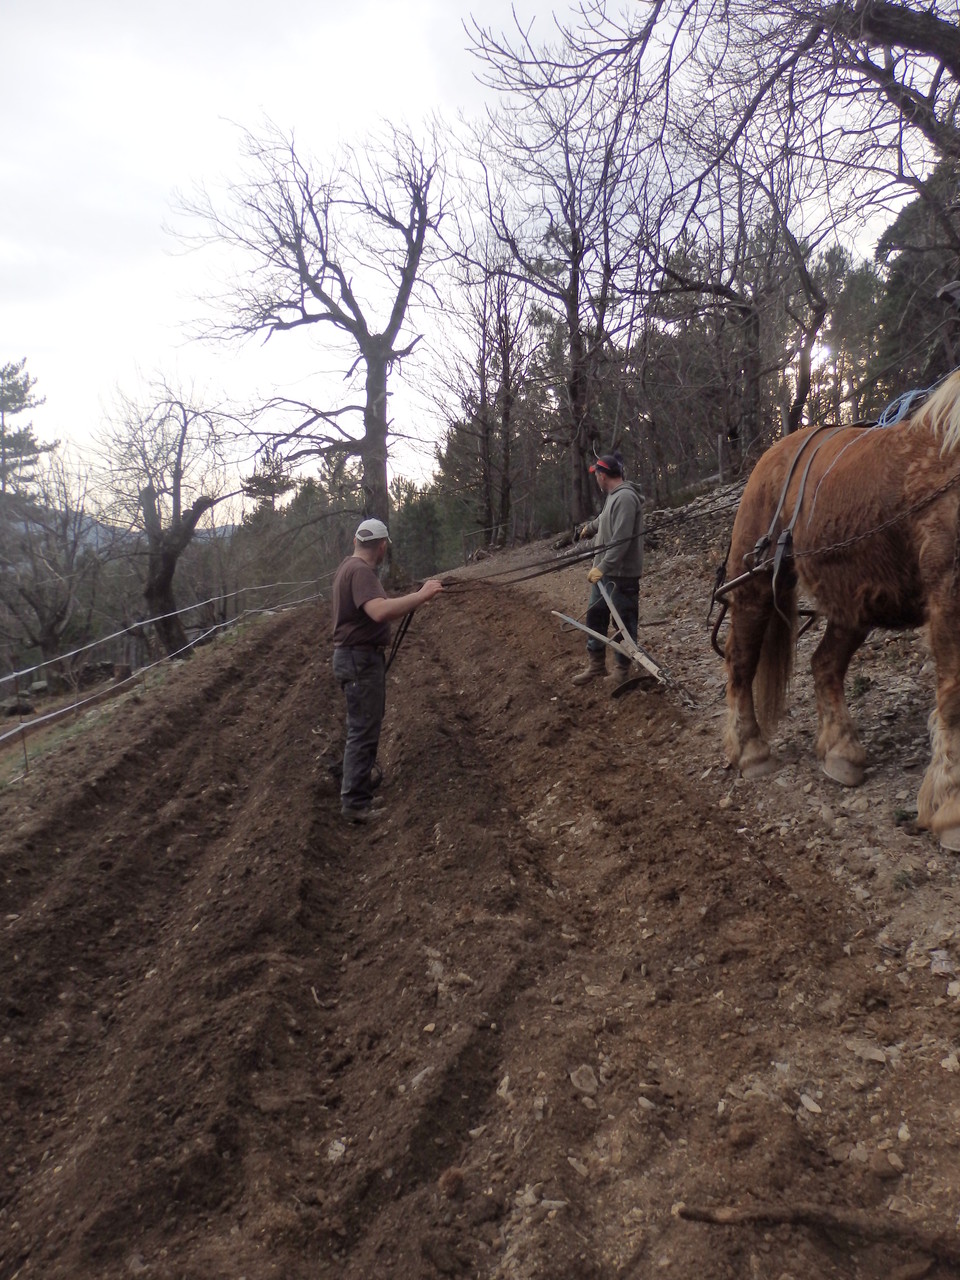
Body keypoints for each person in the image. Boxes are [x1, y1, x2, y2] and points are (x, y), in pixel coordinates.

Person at [331, 518, 443, 823]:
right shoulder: (361, 572)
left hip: (353, 658)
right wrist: (421, 596)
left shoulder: (346, 567)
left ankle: (356, 786)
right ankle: (354, 802)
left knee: (363, 725)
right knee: (363, 729)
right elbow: (379, 611)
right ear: (382, 547)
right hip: (359, 660)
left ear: (356, 541)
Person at [571, 452, 645, 686]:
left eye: (597, 475)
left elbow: (621, 541)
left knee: (624, 622)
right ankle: (596, 666)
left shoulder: (625, 498)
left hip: (620, 575)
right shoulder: (614, 496)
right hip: (605, 574)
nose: (596, 479)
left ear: (603, 476)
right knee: (596, 617)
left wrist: (601, 567)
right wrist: (588, 529)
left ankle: (622, 670)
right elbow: (604, 520)